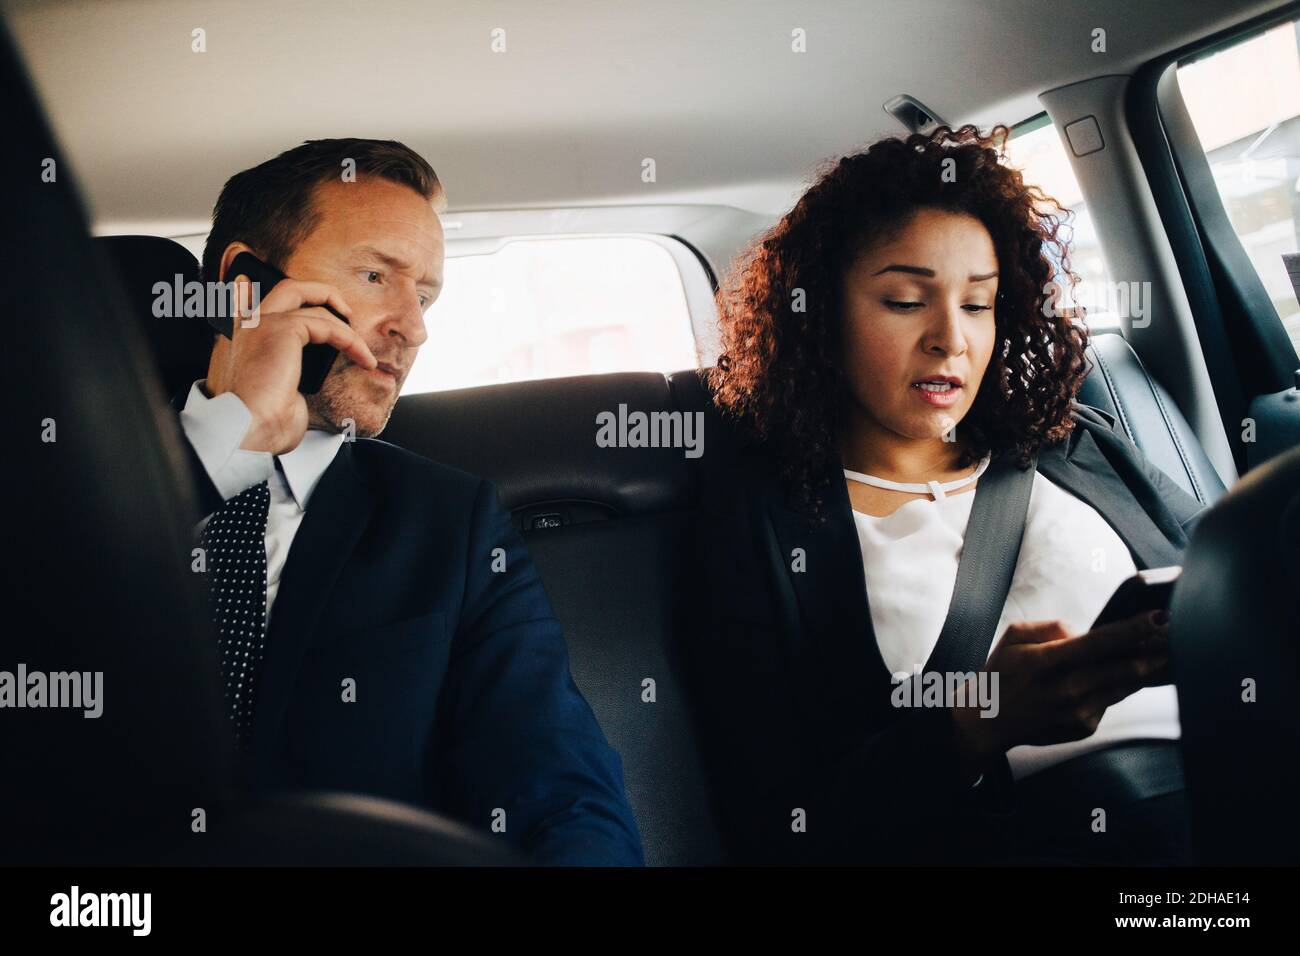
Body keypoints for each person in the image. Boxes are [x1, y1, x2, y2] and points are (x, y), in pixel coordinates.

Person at [686, 125, 1205, 865]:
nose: (949, 339)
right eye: (905, 301)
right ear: (821, 316)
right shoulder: (763, 522)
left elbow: (1233, 569)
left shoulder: (1071, 444)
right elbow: (783, 823)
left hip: (1238, 782)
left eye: (978, 304)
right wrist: (974, 724)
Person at [176, 138, 643, 866]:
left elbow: (556, 784)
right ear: (245, 286)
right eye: (373, 276)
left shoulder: (450, 525)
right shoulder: (62, 476)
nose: (413, 327)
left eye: (422, 297)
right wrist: (234, 434)